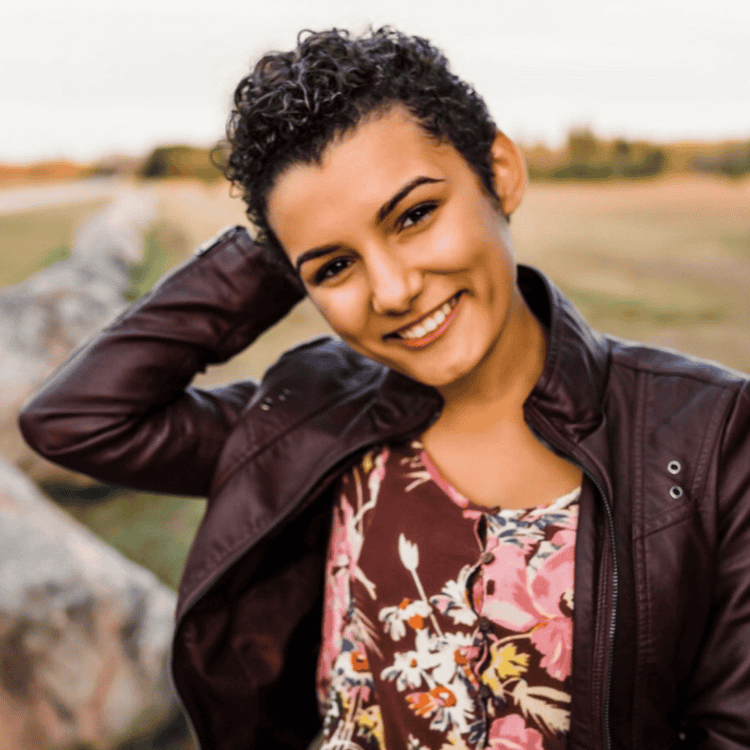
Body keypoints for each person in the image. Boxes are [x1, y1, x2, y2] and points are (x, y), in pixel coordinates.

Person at [18, 26, 750, 750]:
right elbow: (77, 418)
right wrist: (277, 242)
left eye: (415, 216)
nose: (394, 291)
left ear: (498, 173)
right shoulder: (311, 410)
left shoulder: (711, 433)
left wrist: (316, 237)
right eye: (334, 268)